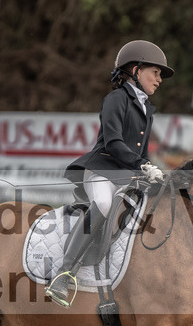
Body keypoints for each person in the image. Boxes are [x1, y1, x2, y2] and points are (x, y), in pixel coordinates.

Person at [45, 40, 172, 306]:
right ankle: (64, 274)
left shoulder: (147, 109)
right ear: (136, 70)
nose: (159, 80)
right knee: (102, 203)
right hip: (101, 170)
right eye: (155, 72)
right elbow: (114, 143)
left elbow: (142, 151)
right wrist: (143, 165)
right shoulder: (116, 99)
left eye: (160, 75)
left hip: (127, 176)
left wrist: (151, 172)